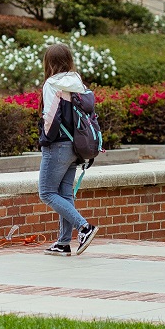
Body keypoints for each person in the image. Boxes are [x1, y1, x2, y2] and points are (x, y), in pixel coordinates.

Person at [38, 42, 98, 258]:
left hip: (57, 146)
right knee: (64, 193)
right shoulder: (77, 82)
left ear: (49, 62)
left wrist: (45, 139)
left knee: (46, 193)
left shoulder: (52, 84)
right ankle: (63, 243)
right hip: (76, 147)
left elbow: (50, 118)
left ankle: (84, 227)